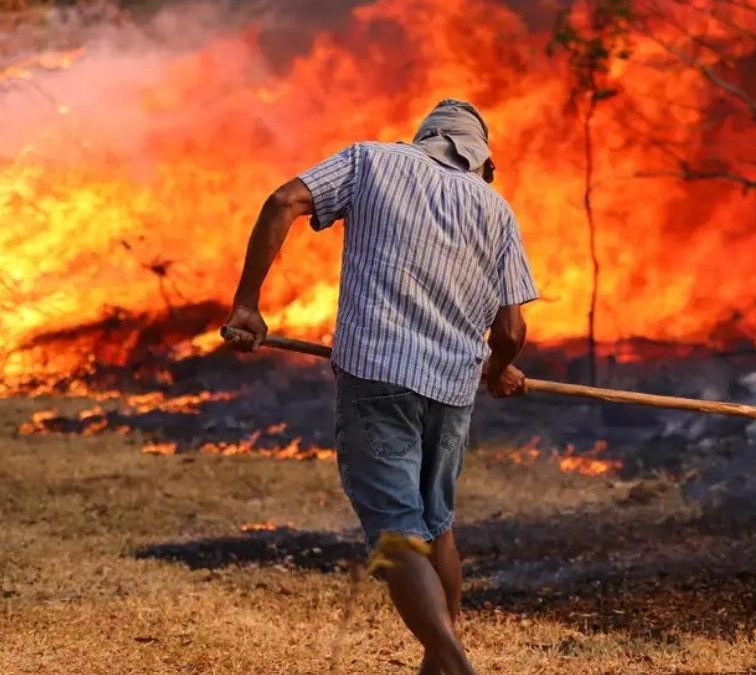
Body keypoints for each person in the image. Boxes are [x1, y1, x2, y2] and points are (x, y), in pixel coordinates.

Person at [223, 98, 538, 675]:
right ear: (479, 160)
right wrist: (495, 369)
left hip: (378, 378)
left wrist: (247, 305)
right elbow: (512, 329)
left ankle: (452, 661)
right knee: (436, 526)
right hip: (450, 391)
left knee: (397, 533)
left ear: (424, 139)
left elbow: (283, 200)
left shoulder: (372, 162)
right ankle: (438, 663)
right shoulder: (496, 210)